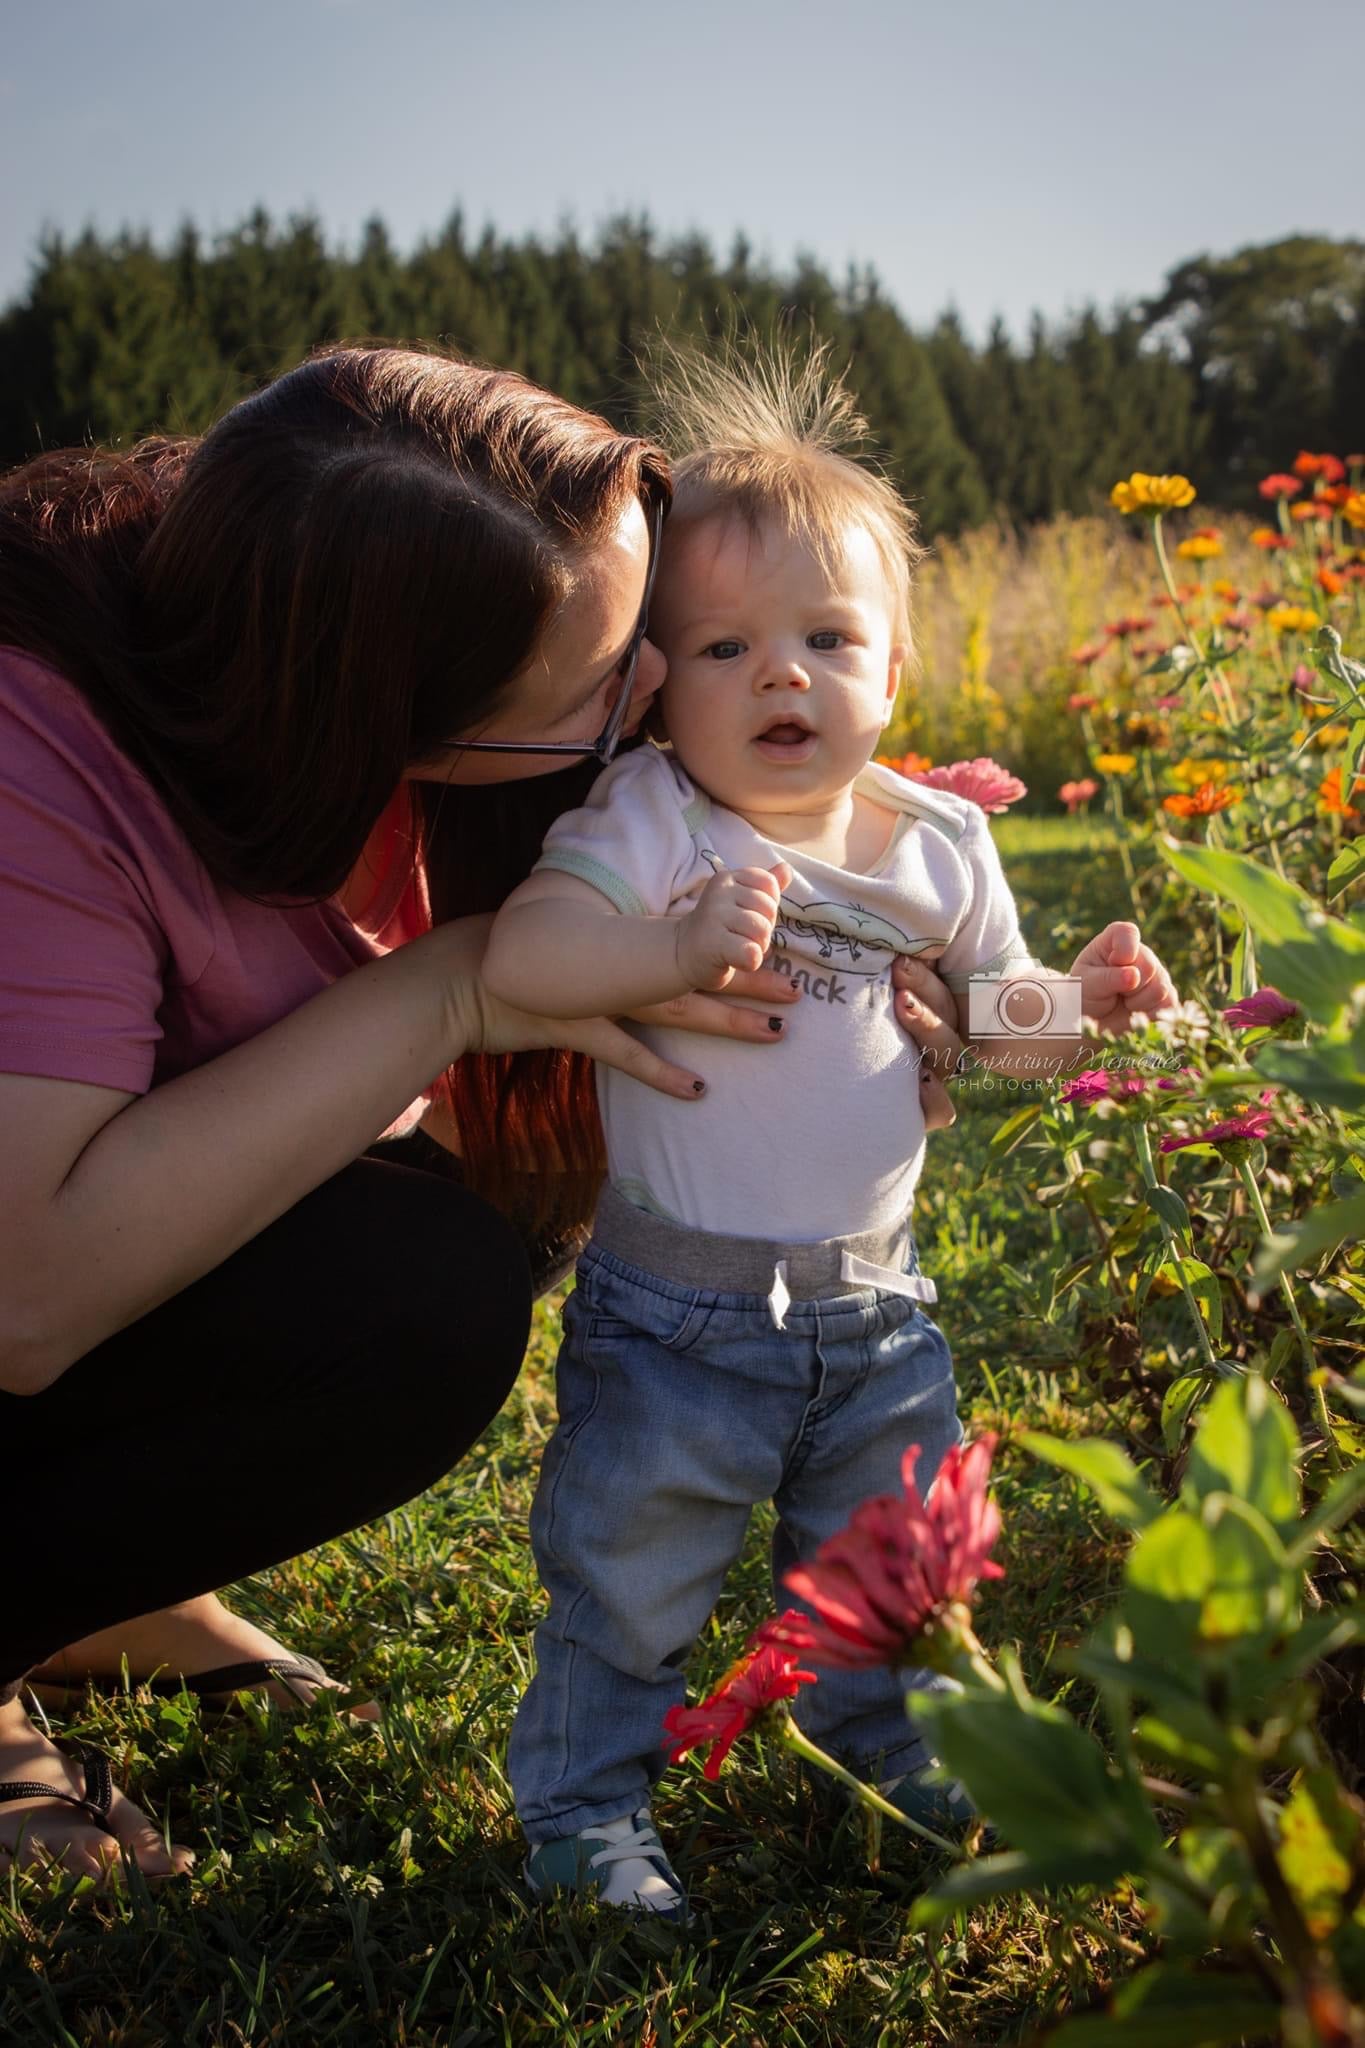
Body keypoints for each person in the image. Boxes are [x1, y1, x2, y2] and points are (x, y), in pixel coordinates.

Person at [0, 344, 964, 1885]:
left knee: (483, 1205)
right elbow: (22, 1302)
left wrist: (872, 957)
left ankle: (81, 1586)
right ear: (388, 703)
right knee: (410, 1297)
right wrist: (450, 991)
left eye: (652, 630)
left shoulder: (374, 623)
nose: (655, 688)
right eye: (609, 679)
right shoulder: (34, 750)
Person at [482, 349, 1178, 1917]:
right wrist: (662, 951)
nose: (777, 678)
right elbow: (520, 966)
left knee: (891, 1567)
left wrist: (1077, 1002)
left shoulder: (941, 839)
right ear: (655, 679)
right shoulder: (654, 822)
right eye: (723, 647)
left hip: (878, 1307)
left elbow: (996, 1024)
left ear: (893, 663)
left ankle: (894, 1764)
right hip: (672, 1309)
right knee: (629, 1572)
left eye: (821, 640)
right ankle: (586, 1808)